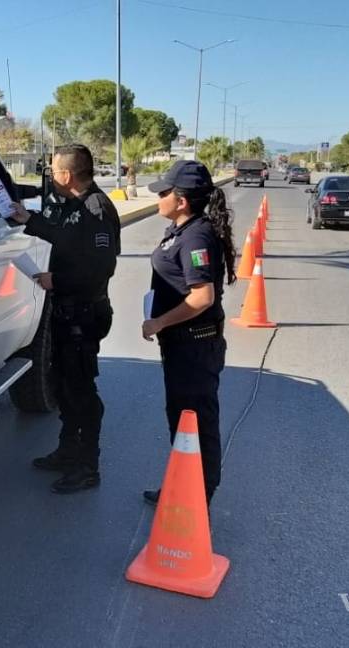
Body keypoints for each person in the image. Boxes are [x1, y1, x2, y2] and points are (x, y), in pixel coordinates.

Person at [9, 144, 121, 494]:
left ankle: (88, 465)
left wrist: (56, 280)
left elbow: (102, 266)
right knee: (62, 384)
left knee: (81, 390)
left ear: (67, 175)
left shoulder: (97, 209)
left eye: (54, 171)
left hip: (84, 313)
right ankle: (67, 449)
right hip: (66, 311)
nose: (51, 176)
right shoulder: (74, 206)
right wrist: (30, 220)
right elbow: (66, 237)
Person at [139, 160, 237, 507]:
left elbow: (202, 297)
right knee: (181, 423)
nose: (158, 197)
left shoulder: (196, 235)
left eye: (164, 192)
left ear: (181, 200)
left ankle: (198, 501)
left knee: (197, 425)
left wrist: (160, 322)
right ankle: (182, 487)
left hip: (195, 346)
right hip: (181, 347)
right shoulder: (181, 228)